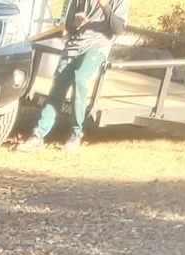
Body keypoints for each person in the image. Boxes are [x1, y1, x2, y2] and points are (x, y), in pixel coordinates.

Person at [13, 0, 125, 151]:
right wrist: (76, 24)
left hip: (98, 47)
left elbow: (118, 29)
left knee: (80, 78)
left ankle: (75, 134)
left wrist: (104, 6)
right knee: (57, 88)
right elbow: (69, 26)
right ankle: (38, 135)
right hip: (75, 46)